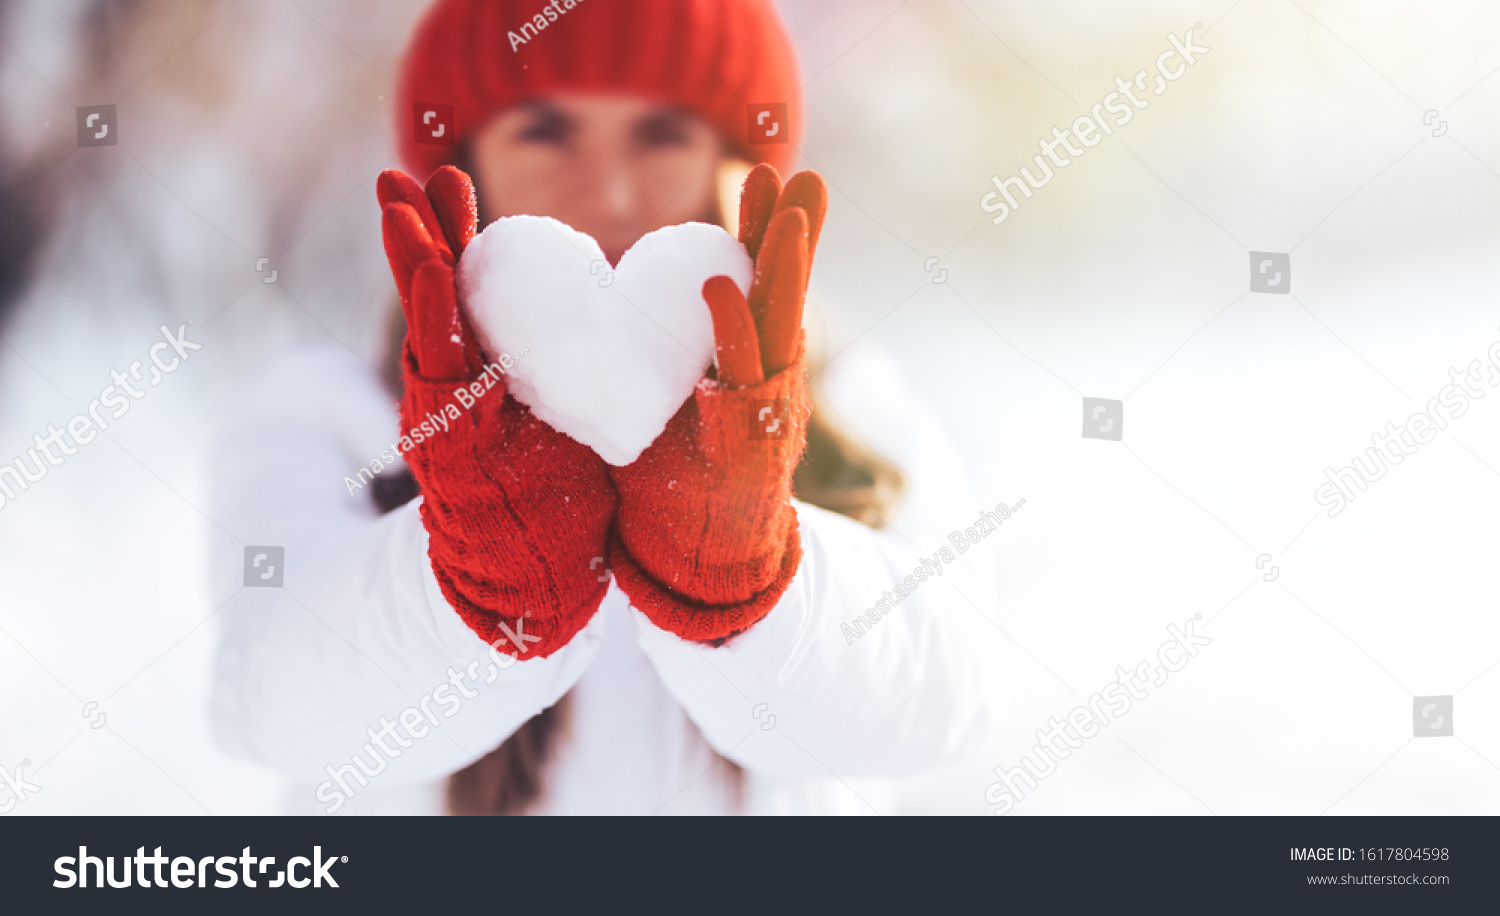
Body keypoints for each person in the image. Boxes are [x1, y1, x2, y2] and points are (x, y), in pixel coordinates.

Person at [211, 0, 1006, 815]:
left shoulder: (849, 409)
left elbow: (947, 703)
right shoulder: (328, 414)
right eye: (546, 133)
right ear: (462, 165)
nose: (612, 191)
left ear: (732, 169)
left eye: (663, 136)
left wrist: (749, 583)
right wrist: (473, 584)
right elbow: (270, 708)